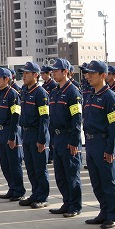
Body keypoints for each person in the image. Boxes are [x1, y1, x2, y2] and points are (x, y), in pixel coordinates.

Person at [82, 60, 115, 229]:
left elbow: (113, 125)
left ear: (103, 75)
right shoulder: (90, 95)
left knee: (108, 181)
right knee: (96, 181)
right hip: (91, 142)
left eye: (92, 74)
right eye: (88, 73)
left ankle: (112, 214)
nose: (88, 76)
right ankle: (103, 211)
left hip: (103, 142)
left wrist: (110, 149)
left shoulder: (109, 97)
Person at [48, 58, 83, 217]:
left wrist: (75, 141)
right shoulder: (55, 91)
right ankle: (67, 202)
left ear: (65, 72)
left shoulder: (72, 92)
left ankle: (75, 206)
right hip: (57, 138)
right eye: (53, 71)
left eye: (57, 71)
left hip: (69, 137)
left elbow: (77, 119)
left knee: (72, 174)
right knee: (60, 174)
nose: (54, 73)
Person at [18, 62, 50, 209]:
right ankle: (35, 193)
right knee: (30, 167)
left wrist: (42, 139)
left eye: (27, 73)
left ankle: (42, 196)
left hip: (37, 133)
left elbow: (44, 118)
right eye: (23, 73)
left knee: (39, 168)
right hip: (26, 133)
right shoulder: (25, 91)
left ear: (35, 75)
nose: (24, 76)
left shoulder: (40, 93)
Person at [0, 68, 25, 200]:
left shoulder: (13, 94)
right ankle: (12, 187)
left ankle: (19, 190)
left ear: (7, 79)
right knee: (5, 164)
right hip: (1, 132)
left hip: (10, 131)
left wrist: (12, 136)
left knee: (14, 163)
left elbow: (15, 117)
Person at [40, 65, 58, 164]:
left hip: (51, 112)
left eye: (44, 73)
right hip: (48, 111)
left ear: (49, 74)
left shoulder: (53, 85)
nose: (42, 76)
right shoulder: (44, 86)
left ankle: (51, 155)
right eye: (41, 73)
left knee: (52, 136)